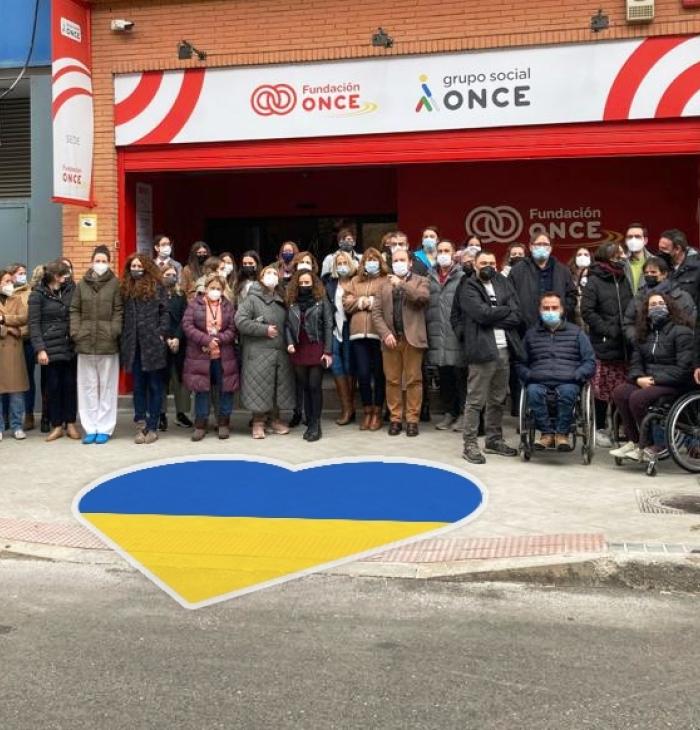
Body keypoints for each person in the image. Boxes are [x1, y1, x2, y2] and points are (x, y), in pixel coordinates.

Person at [451, 250, 522, 463]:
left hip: (504, 349)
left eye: (492, 262)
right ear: (474, 264)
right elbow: (480, 314)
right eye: (483, 262)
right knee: (475, 401)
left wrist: (492, 314)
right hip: (482, 349)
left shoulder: (503, 282)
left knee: (498, 399)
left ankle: (493, 440)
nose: (488, 266)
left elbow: (516, 314)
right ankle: (470, 444)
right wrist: (501, 311)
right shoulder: (468, 286)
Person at [610, 292, 694, 462]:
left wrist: (655, 380)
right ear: (646, 311)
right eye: (652, 305)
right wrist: (638, 378)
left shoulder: (682, 332)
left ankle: (650, 443)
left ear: (669, 307)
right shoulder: (644, 334)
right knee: (620, 392)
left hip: (673, 382)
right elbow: (635, 363)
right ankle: (635, 441)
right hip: (647, 380)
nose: (656, 307)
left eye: (660, 304)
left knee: (637, 398)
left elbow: (684, 368)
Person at [518, 292, 596, 450]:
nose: (550, 311)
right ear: (540, 310)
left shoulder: (577, 333)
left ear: (561, 310)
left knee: (568, 393)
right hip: (538, 379)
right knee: (533, 392)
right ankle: (546, 434)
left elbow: (589, 361)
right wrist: (529, 375)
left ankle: (561, 435)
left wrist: (577, 375)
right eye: (546, 308)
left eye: (554, 307)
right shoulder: (531, 334)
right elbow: (520, 362)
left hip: (568, 379)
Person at [371, 248, 429, 436]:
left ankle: (412, 420)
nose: (398, 263)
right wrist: (385, 334)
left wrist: (401, 285)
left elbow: (422, 298)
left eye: (402, 260)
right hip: (391, 340)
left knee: (414, 380)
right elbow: (376, 313)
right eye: (395, 260)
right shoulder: (383, 285)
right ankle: (395, 419)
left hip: (412, 339)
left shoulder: (421, 281)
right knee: (393, 381)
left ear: (410, 262)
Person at [580, 242, 633, 447]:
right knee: (601, 390)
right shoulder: (594, 281)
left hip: (624, 344)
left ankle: (621, 427)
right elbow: (588, 312)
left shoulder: (623, 278)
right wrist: (607, 330)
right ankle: (600, 427)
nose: (622, 257)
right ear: (607, 257)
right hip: (604, 343)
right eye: (618, 254)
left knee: (622, 388)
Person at [69, 245, 123, 444]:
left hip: (107, 343)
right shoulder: (81, 284)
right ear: (92, 261)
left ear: (109, 262)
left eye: (103, 260)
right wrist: (76, 331)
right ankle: (90, 427)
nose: (100, 264)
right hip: (85, 343)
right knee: (87, 387)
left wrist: (114, 330)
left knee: (107, 387)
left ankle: (105, 428)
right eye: (97, 260)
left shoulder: (115, 284)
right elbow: (74, 309)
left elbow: (119, 311)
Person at [235, 265, 295, 438]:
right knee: (259, 387)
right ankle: (258, 423)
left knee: (277, 387)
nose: (272, 276)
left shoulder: (283, 298)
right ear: (261, 277)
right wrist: (263, 329)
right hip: (258, 353)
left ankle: (274, 420)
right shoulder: (252, 299)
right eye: (268, 273)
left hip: (280, 352)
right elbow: (240, 321)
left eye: (275, 273)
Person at [182, 273, 239, 441]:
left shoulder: (228, 306)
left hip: (224, 355)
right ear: (206, 288)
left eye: (218, 288)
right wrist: (206, 340)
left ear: (223, 290)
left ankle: (223, 422)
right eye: (212, 288)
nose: (215, 291)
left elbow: (233, 328)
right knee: (202, 389)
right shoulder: (194, 304)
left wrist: (219, 340)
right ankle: (200, 424)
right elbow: (187, 325)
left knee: (225, 389)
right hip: (200, 354)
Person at [120, 253, 169, 444]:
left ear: (147, 267)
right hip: (133, 344)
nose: (136, 269)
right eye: (132, 266)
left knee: (155, 385)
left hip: (152, 343)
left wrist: (161, 332)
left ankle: (153, 425)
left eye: (139, 266)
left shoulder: (158, 287)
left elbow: (165, 312)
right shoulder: (125, 288)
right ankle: (140, 424)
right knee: (138, 386)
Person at [28, 260, 78, 442]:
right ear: (55, 276)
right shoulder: (37, 295)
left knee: (70, 386)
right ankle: (57, 425)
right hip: (49, 348)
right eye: (64, 274)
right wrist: (40, 349)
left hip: (69, 347)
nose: (67, 277)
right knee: (54, 388)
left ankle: (71, 423)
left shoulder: (71, 290)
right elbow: (34, 325)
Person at [285, 270, 333, 441]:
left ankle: (316, 424)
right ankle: (309, 418)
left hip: (317, 346)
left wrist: (328, 351)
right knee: (304, 386)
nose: (304, 286)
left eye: (308, 283)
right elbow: (287, 325)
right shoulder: (291, 301)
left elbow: (328, 325)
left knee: (314, 385)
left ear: (314, 283)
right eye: (301, 283)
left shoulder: (322, 300)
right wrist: (289, 342)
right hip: (298, 347)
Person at [343, 247, 387, 431]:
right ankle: (367, 411)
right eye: (367, 259)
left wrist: (366, 301)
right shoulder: (355, 280)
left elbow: (386, 301)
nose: (371, 261)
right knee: (362, 374)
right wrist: (364, 301)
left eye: (374, 258)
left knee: (378, 374)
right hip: (358, 334)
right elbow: (346, 302)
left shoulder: (386, 280)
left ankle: (377, 412)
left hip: (379, 334)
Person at [426, 239, 465, 430]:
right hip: (436, 336)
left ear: (454, 253)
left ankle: (464, 414)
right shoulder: (429, 276)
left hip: (455, 335)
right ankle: (449, 413)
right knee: (445, 377)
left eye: (446, 250)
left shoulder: (462, 276)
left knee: (461, 377)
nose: (442, 253)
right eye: (440, 250)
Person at [509, 231, 577, 331]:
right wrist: (520, 316)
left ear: (550, 248)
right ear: (531, 247)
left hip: (556, 327)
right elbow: (509, 297)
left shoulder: (562, 270)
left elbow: (572, 296)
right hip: (525, 328)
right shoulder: (517, 270)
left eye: (545, 244)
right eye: (538, 244)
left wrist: (562, 311)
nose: (542, 247)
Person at [623, 256, 696, 343]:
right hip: (646, 348)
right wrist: (637, 340)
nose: (649, 275)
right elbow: (628, 323)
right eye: (646, 272)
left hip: (675, 348)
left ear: (664, 274)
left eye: (653, 272)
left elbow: (691, 322)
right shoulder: (639, 297)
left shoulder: (681, 296)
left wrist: (680, 340)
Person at [324, 250, 358, 426]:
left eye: (345, 263)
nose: (342, 266)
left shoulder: (357, 281)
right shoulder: (330, 284)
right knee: (336, 367)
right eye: (339, 264)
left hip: (352, 329)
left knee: (350, 366)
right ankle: (345, 408)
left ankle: (351, 407)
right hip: (335, 329)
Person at [159, 263, 192, 431]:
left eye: (173, 274)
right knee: (162, 381)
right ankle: (161, 414)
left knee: (180, 380)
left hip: (179, 344)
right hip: (161, 342)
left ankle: (181, 413)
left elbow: (185, 319)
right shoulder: (156, 295)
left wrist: (177, 338)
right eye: (167, 274)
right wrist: (166, 338)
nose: (171, 277)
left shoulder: (181, 295)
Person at [0, 268, 29, 441]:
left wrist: (3, 320)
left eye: (11, 281)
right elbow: (16, 323)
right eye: (6, 281)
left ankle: (18, 426)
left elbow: (23, 318)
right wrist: (8, 329)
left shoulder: (17, 298)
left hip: (14, 351)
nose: (10, 284)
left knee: (16, 392)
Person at [8, 263, 35, 431]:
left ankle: (29, 414)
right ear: (11, 275)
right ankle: (6, 417)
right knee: (6, 382)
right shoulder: (6, 293)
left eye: (24, 273)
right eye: (19, 273)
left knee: (27, 381)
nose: (22, 276)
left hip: (26, 341)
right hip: (7, 343)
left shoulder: (30, 293)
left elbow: (27, 317)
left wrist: (11, 322)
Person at [657, 229, 700, 315]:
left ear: (677, 249)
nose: (660, 252)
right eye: (659, 248)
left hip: (691, 322)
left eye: (664, 249)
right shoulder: (660, 265)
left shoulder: (697, 267)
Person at [622, 222, 651, 295]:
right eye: (630, 237)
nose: (633, 239)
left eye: (637, 236)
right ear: (626, 241)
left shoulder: (655, 262)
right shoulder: (620, 263)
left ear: (645, 240)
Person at [567, 246, 591, 327]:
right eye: (579, 254)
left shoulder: (596, 274)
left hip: (590, 318)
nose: (582, 257)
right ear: (575, 258)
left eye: (586, 255)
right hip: (573, 318)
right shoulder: (567, 274)